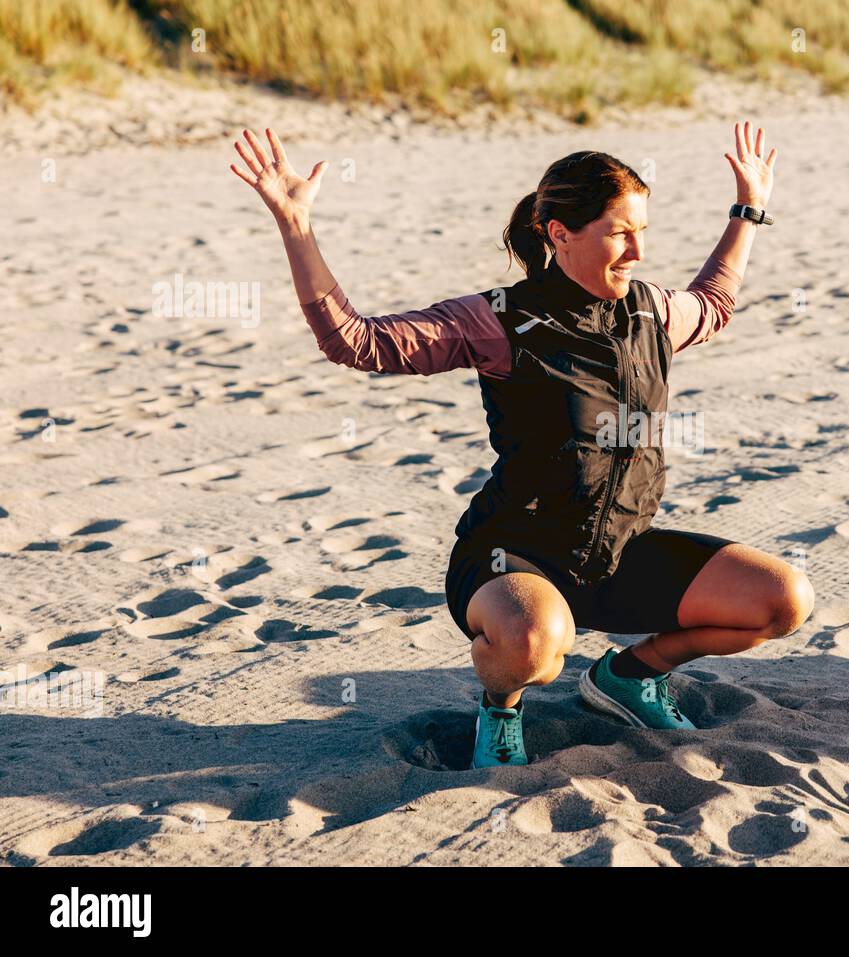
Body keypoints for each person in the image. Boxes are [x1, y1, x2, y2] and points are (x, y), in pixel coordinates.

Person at [230, 120, 814, 768]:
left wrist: (748, 208)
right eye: (621, 232)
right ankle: (500, 709)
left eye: (643, 231)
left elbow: (716, 300)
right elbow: (357, 341)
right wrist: (296, 226)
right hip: (515, 558)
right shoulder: (499, 320)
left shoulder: (651, 312)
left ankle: (629, 676)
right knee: (535, 644)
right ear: (560, 233)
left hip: (617, 554)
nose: (638, 251)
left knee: (781, 598)